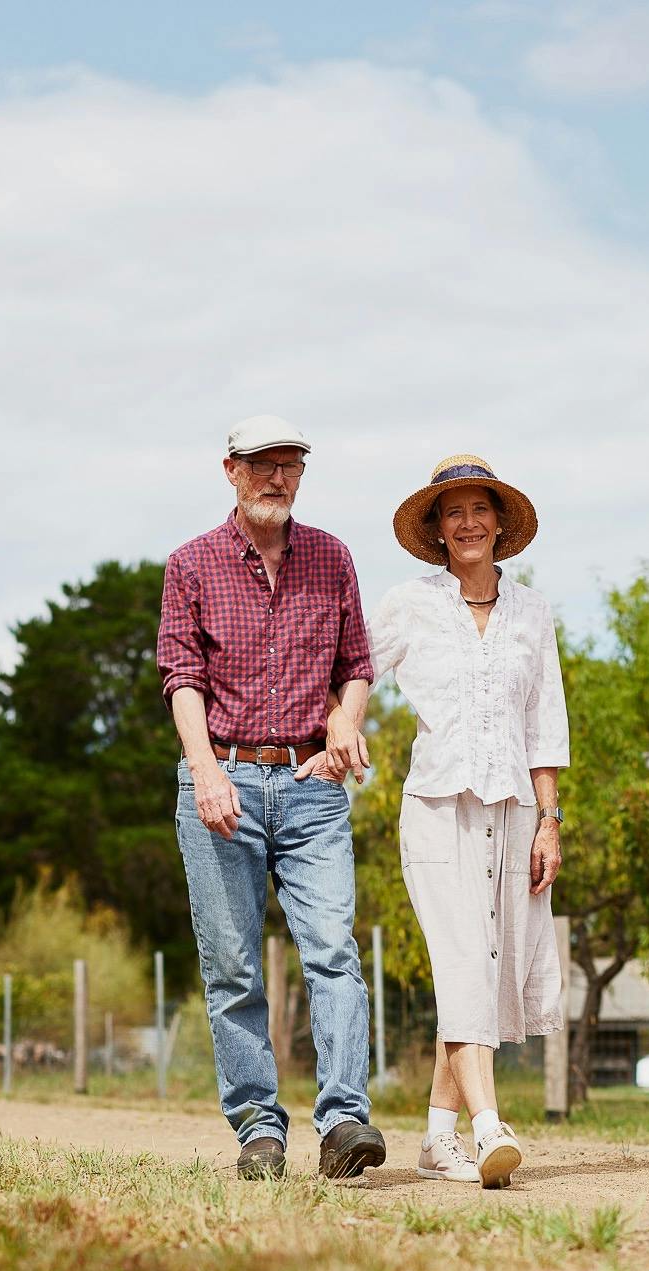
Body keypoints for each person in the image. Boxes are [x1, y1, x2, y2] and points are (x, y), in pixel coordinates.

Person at [157, 416, 385, 1181]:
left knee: (333, 952)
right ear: (230, 470)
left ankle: (344, 1121)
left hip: (311, 784)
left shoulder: (332, 556)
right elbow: (182, 676)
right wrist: (205, 769)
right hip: (221, 777)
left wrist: (346, 722)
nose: (276, 478)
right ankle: (258, 1126)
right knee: (232, 966)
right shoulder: (190, 564)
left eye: (289, 465)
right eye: (261, 464)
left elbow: (356, 663)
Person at [369, 456, 568, 1188]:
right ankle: (488, 1127)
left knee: (485, 968)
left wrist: (549, 821)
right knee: (461, 964)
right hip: (435, 807)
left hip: (512, 811)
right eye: (452, 511)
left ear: (499, 521)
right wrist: (338, 728)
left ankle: (435, 1139)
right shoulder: (408, 604)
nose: (468, 522)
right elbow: (351, 672)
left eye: (479, 508)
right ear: (436, 528)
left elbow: (544, 724)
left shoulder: (533, 612)